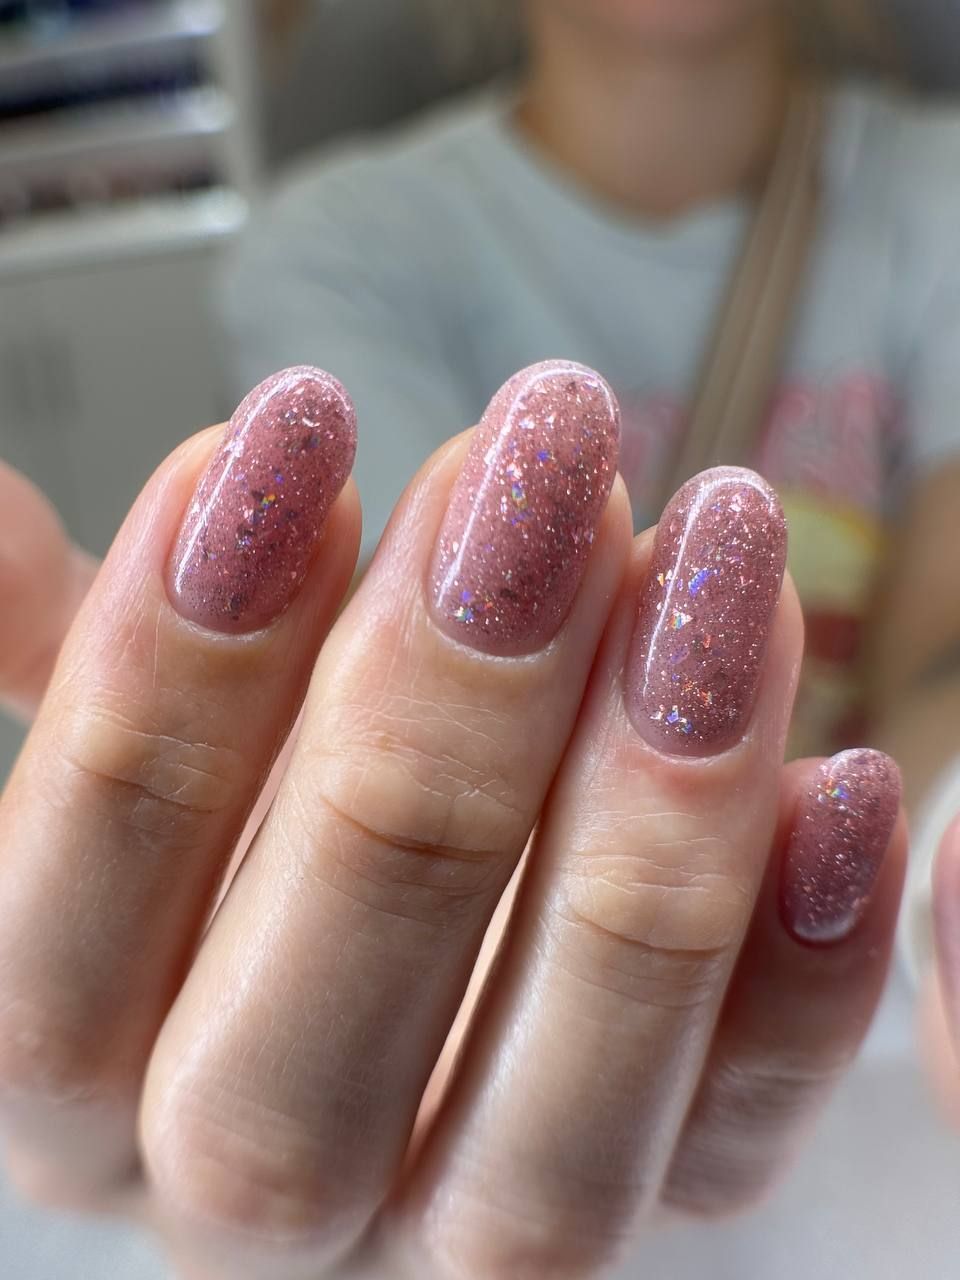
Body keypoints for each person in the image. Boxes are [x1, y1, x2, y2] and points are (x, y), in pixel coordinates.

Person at [0, 2, 958, 1277]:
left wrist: (942, 848)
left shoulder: (937, 190)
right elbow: (428, 719)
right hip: (473, 1029)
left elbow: (941, 671)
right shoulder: (344, 238)